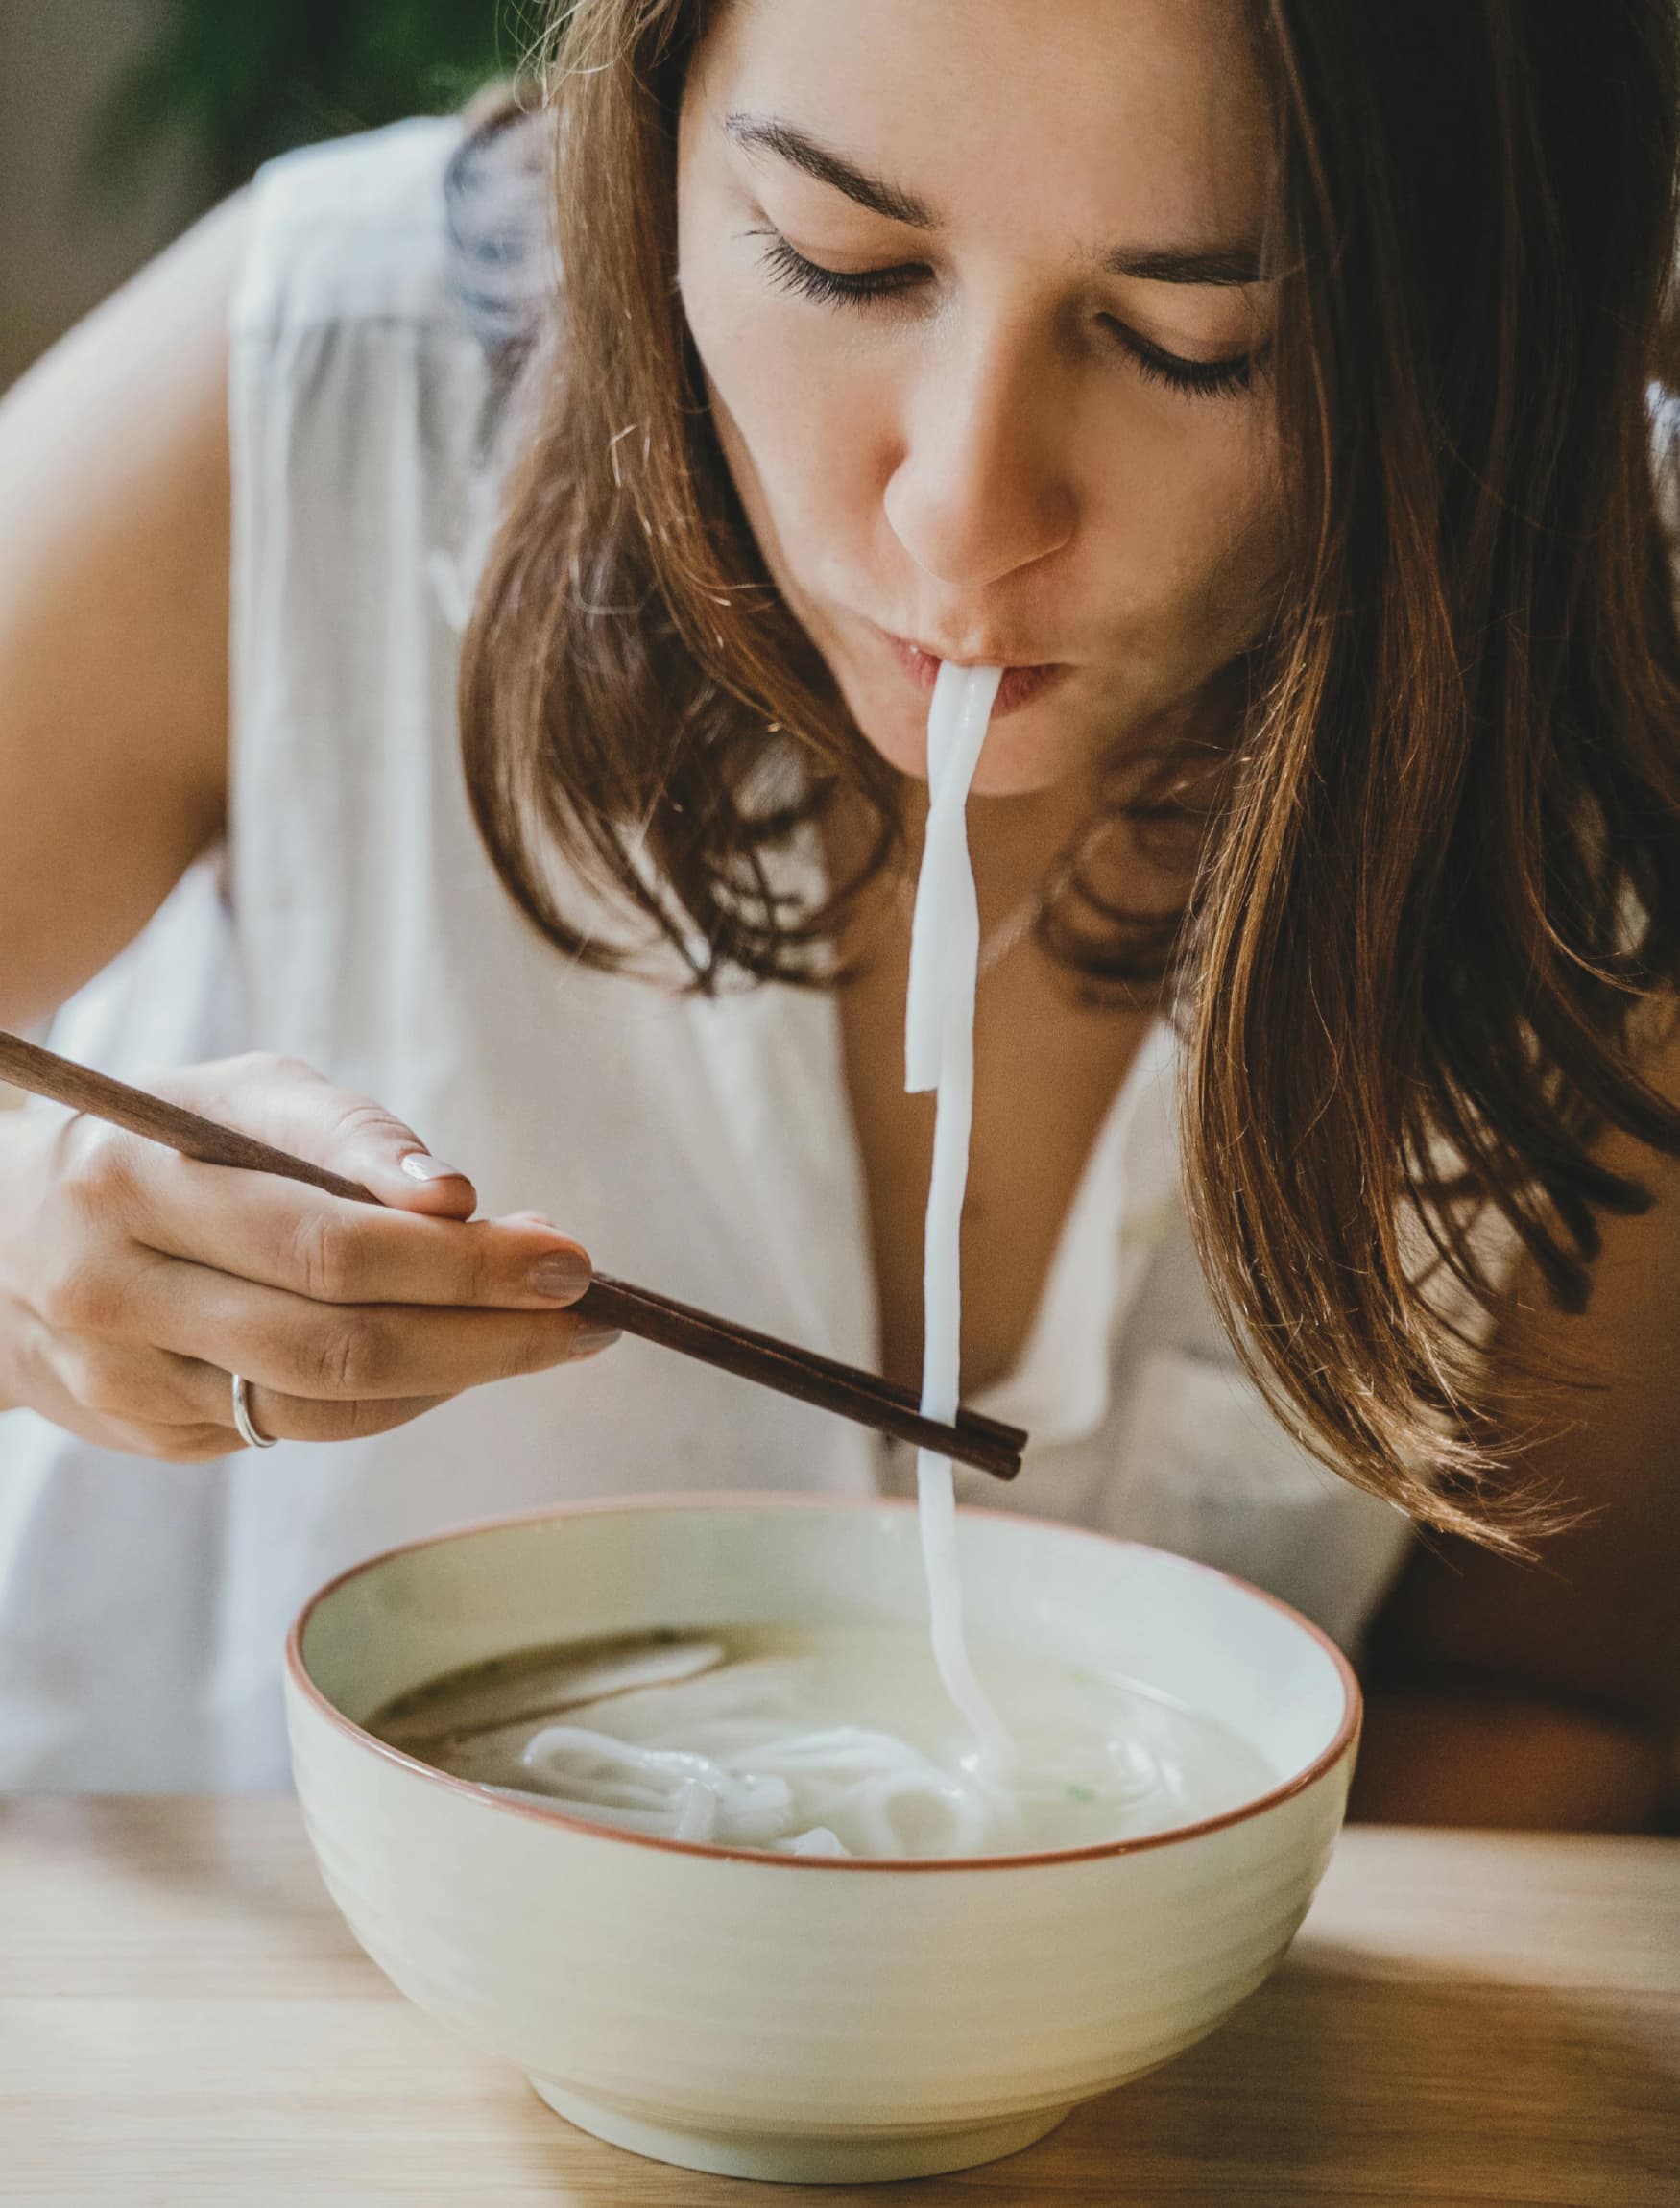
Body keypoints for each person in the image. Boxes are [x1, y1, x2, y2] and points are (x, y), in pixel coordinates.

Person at [0, 0, 1675, 1815]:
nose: (961, 518)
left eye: (1200, 344)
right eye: (838, 262)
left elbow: (1550, 1692)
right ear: (647, 133)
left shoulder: (1619, 682)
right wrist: (27, 1280)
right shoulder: (330, 383)